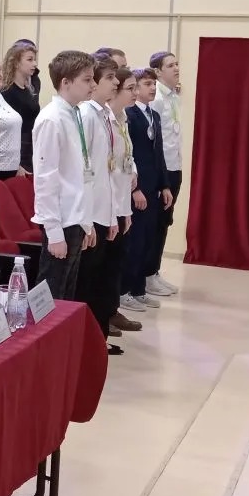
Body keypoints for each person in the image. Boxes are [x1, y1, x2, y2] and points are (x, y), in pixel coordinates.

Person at [31, 50, 120, 356]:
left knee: (67, 296)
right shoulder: (51, 119)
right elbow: (46, 179)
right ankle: (43, 353)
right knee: (51, 295)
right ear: (65, 82)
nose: (93, 85)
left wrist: (86, 223)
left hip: (76, 219)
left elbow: (81, 175)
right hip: (60, 221)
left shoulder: (74, 114)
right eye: (87, 80)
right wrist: (54, 231)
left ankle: (60, 351)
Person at [80, 55, 128, 352]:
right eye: (110, 78)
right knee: (88, 282)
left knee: (101, 280)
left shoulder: (106, 115)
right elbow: (85, 170)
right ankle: (89, 341)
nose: (115, 83)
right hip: (90, 210)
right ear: (94, 83)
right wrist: (89, 220)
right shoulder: (87, 115)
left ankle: (99, 338)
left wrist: (114, 215)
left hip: (104, 208)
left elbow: (111, 169)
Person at [121, 68, 173, 315]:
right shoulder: (128, 115)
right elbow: (129, 155)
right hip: (137, 188)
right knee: (134, 241)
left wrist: (164, 184)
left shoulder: (154, 115)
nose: (152, 88)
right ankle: (125, 290)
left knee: (147, 241)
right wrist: (136, 189)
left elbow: (158, 153)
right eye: (147, 84)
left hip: (153, 186)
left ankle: (139, 289)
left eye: (154, 84)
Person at [107, 67, 142, 333]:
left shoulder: (123, 118)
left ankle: (112, 309)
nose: (135, 93)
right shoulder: (105, 118)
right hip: (108, 200)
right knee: (106, 264)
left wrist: (134, 172)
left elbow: (126, 154)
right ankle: (103, 314)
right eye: (130, 88)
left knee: (117, 260)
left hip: (121, 198)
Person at [148, 50, 183, 298]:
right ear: (158, 71)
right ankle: (148, 274)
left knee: (164, 222)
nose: (176, 68)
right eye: (170, 65)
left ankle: (155, 271)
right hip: (163, 169)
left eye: (177, 64)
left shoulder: (173, 97)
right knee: (155, 223)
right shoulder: (157, 98)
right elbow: (155, 140)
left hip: (174, 165)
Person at [1, 40, 40, 173]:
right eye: (29, 60)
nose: (34, 64)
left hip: (31, 148)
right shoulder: (7, 93)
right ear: (16, 63)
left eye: (34, 59)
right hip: (19, 152)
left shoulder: (29, 90)